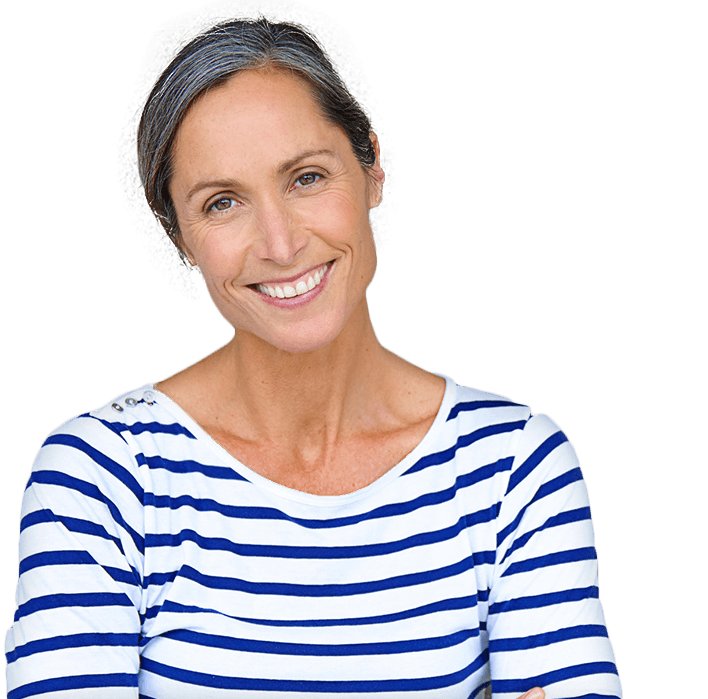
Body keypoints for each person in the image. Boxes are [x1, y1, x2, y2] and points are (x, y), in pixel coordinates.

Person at [5, 15, 622, 699]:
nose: (279, 242)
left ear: (371, 169)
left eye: (304, 177)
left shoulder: (514, 470)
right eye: (223, 202)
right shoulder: (105, 478)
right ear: (182, 238)